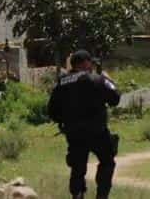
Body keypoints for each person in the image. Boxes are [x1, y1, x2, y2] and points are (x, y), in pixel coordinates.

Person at [48, 50, 121, 199]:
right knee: (107, 162)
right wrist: (109, 80)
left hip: (74, 133)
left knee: (77, 167)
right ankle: (101, 196)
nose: (92, 66)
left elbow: (52, 111)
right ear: (85, 63)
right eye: (90, 63)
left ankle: (77, 194)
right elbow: (115, 98)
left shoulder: (62, 82)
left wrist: (65, 121)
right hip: (97, 132)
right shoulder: (96, 79)